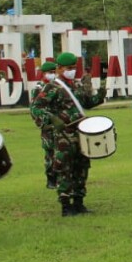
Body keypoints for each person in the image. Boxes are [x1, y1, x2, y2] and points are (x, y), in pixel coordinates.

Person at [30, 53, 106, 216]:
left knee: (81, 167)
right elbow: (36, 107)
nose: (71, 71)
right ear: (59, 69)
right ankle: (66, 204)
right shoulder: (52, 87)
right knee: (64, 169)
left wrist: (100, 96)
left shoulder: (75, 86)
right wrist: (51, 120)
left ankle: (79, 202)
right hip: (64, 135)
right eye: (68, 68)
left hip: (81, 133)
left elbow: (86, 103)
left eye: (73, 68)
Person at [30, 59, 58, 189]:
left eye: (54, 72)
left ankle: (60, 177)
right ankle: (51, 178)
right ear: (43, 73)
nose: (52, 74)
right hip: (47, 126)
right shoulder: (39, 89)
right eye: (49, 72)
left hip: (60, 125)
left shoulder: (57, 87)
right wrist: (43, 123)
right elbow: (34, 109)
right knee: (50, 153)